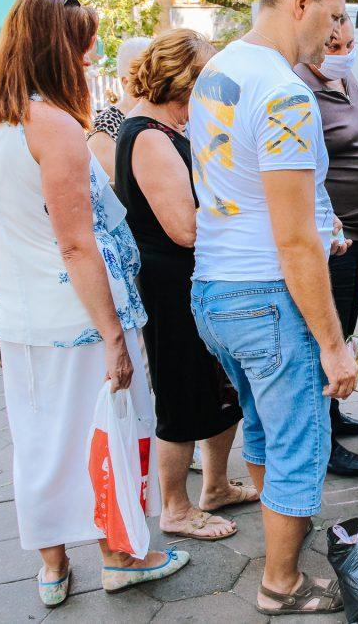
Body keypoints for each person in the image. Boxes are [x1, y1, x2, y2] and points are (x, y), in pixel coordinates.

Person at [0, 0, 188, 609]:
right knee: (107, 433)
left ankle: (52, 568)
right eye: (82, 46)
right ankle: (120, 556)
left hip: (22, 317)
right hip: (79, 317)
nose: (89, 58)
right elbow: (78, 246)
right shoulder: (49, 124)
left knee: (38, 441)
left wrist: (19, 223)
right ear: (54, 48)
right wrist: (113, 335)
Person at [187, 0, 353, 615]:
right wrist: (335, 344)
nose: (337, 33)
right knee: (297, 444)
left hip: (215, 290)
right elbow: (293, 240)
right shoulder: (284, 91)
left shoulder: (218, 69)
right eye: (334, 15)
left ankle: (278, 554)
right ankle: (280, 581)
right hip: (265, 294)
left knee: (261, 428)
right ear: (300, 3)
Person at [113, 29, 259, 542]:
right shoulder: (149, 136)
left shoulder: (172, 127)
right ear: (184, 81)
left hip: (193, 278)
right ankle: (174, 508)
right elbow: (185, 227)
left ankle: (214, 486)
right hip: (170, 285)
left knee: (217, 390)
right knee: (179, 393)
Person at [294, 15, 358, 478]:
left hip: (357, 238)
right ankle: (323, 442)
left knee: (344, 328)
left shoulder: (345, 78)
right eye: (335, 45)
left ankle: (331, 416)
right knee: (323, 341)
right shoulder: (297, 85)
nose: (344, 52)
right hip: (332, 240)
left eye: (350, 43)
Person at [88, 36, 151, 181]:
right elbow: (114, 193)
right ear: (126, 82)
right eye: (148, 75)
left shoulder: (163, 116)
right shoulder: (105, 129)